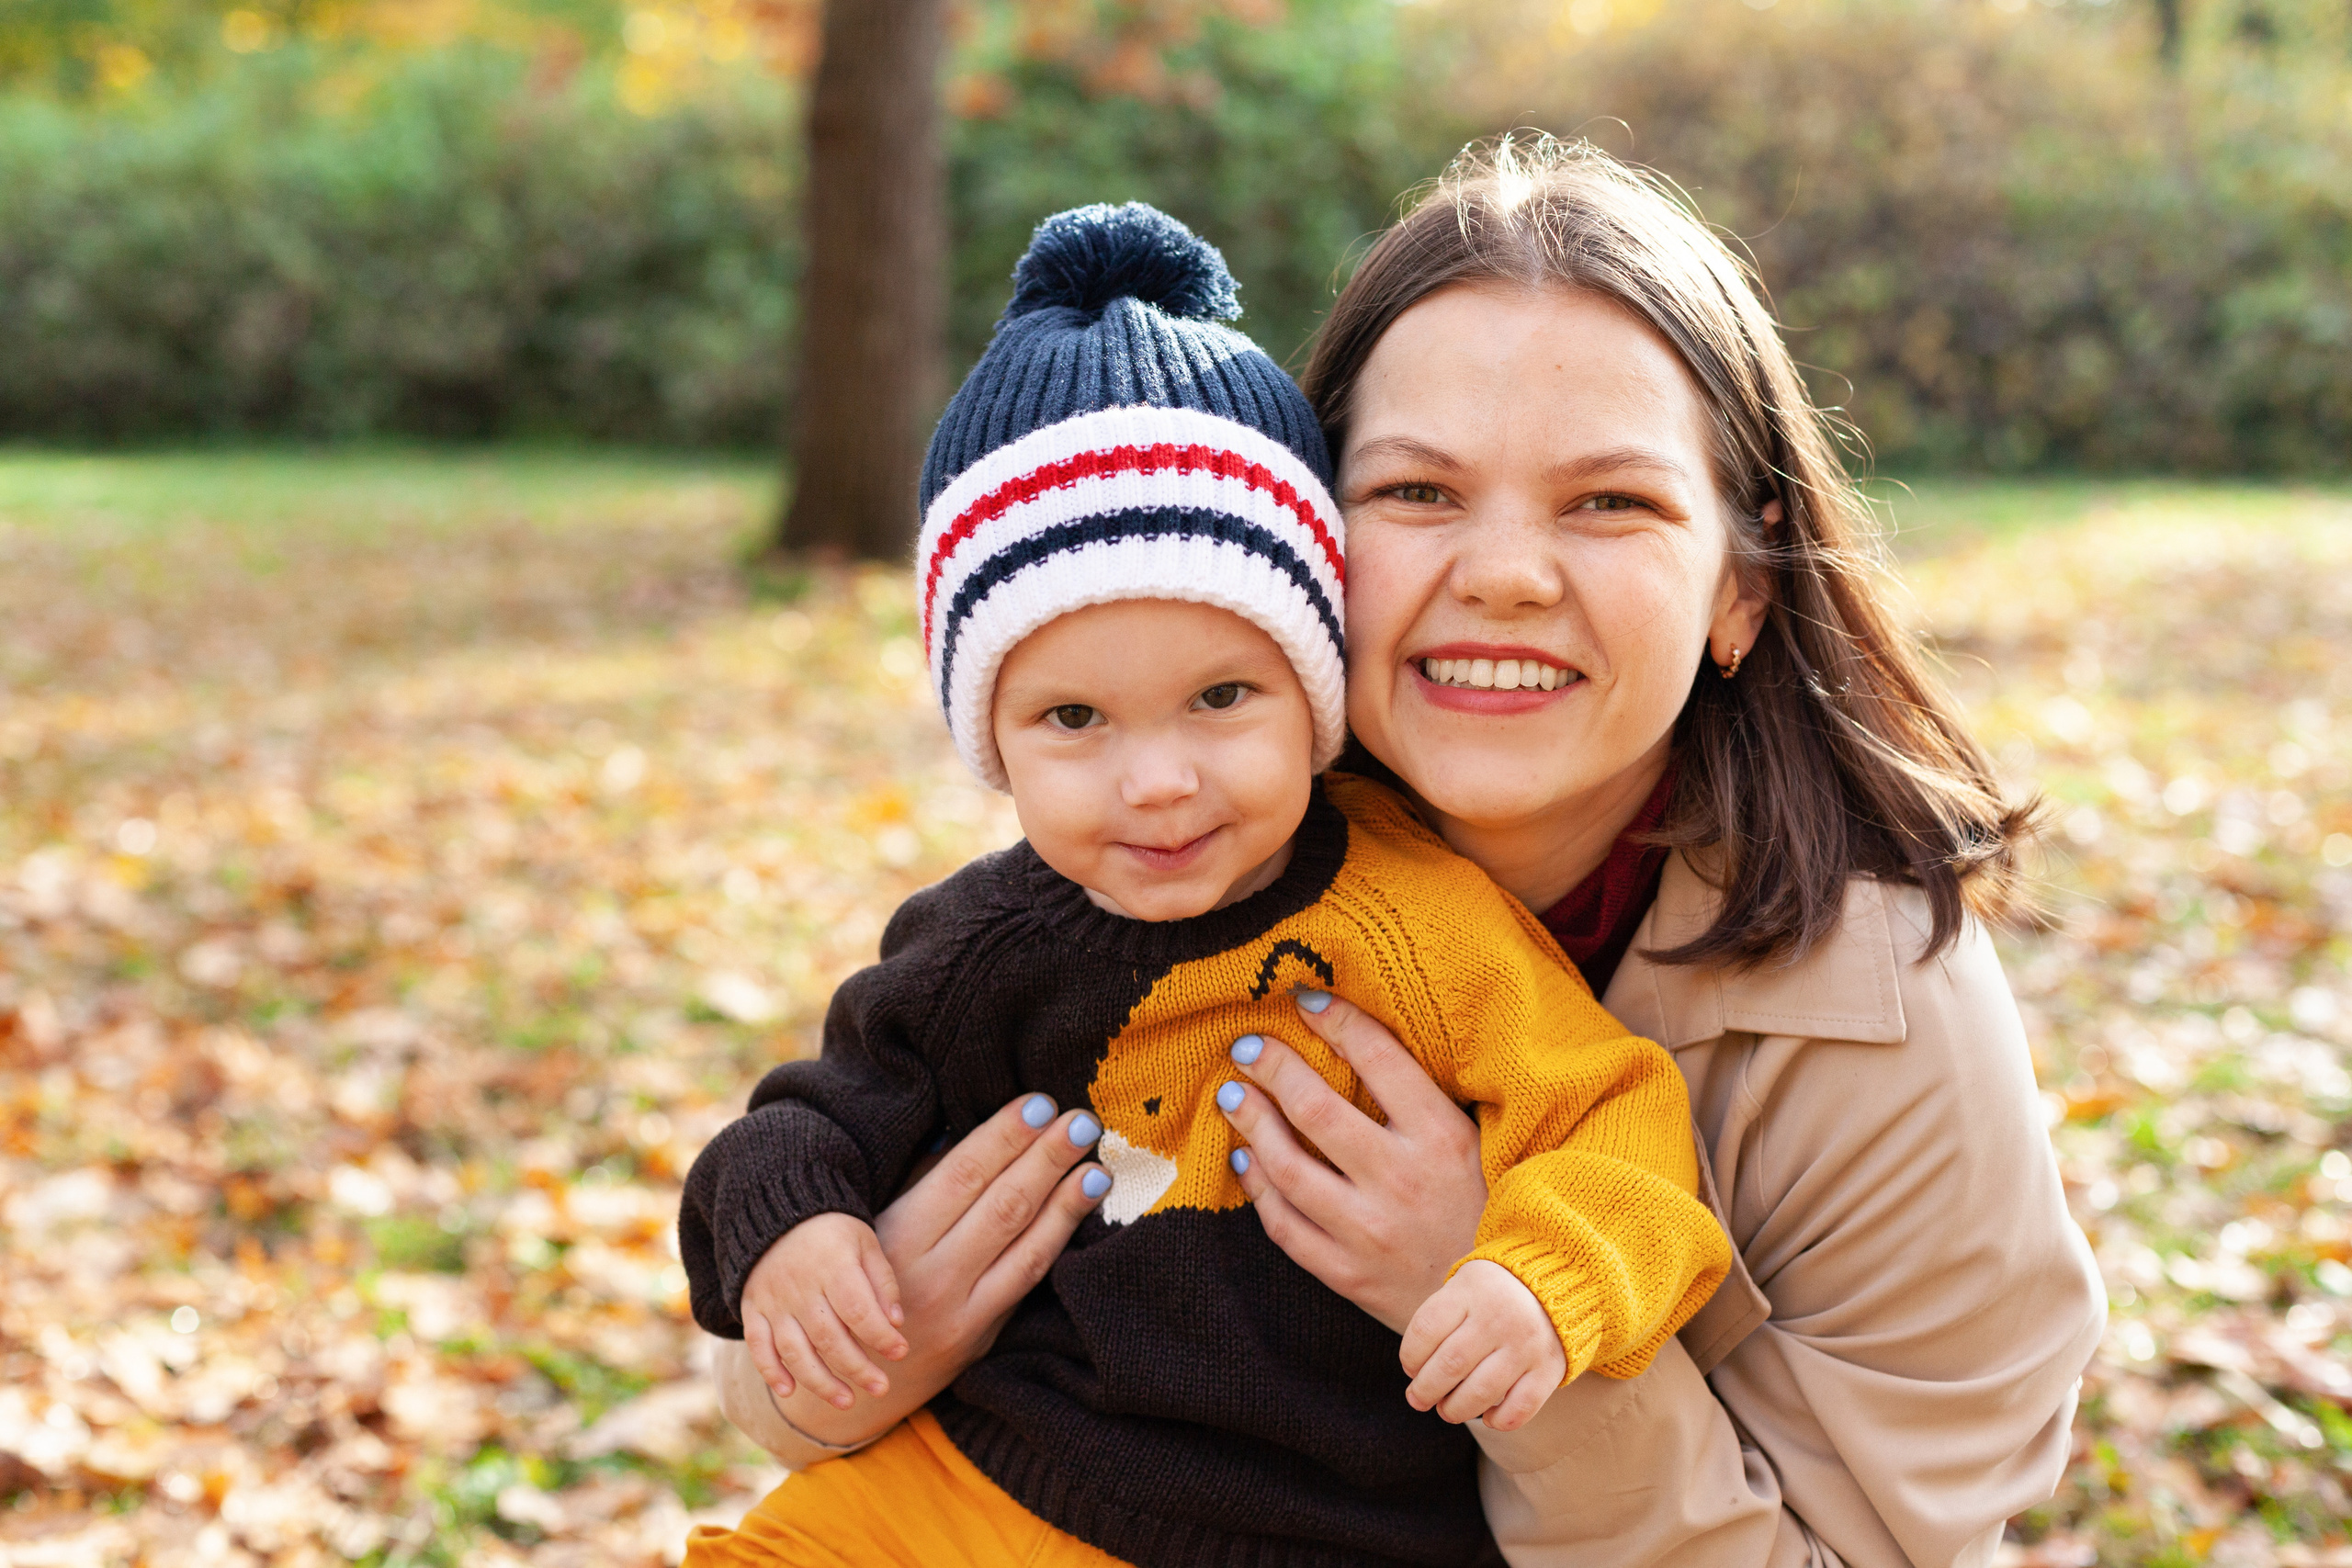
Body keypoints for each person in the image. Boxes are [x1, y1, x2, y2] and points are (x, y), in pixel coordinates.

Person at [710, 141, 2109, 1567]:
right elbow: (793, 1317)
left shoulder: (1882, 1029)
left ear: (1740, 589)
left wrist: (1489, 1299)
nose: (1502, 574)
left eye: (1610, 501)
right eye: (1419, 493)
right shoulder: (1186, 846)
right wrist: (871, 1335)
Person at [677, 201, 1729, 1568]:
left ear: (1315, 694)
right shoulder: (982, 944)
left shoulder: (1417, 923)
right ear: (991, 741)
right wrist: (798, 1234)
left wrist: (1543, 1283)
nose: (1159, 782)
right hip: (984, 1484)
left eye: (1221, 698)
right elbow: (806, 1120)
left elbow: (1615, 1117)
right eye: (1074, 720)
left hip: (1326, 1537)